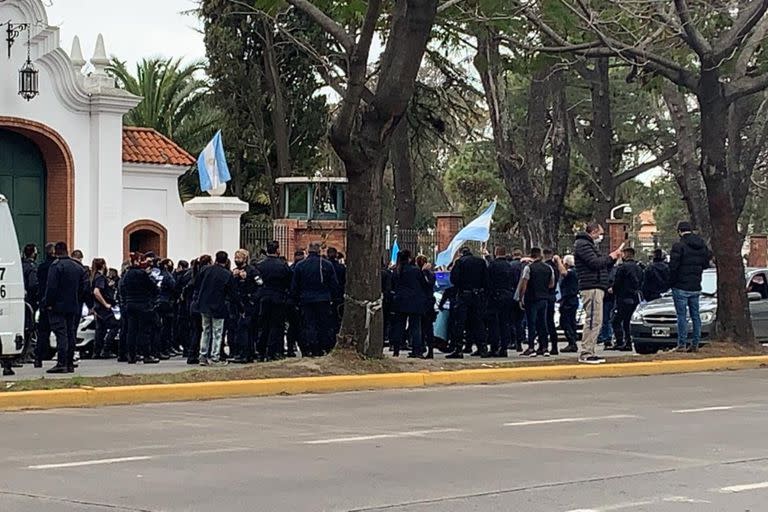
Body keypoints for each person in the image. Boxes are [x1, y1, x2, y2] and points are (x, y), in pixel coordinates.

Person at [574, 222, 622, 364]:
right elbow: (595, 263)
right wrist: (611, 257)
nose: (601, 237)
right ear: (593, 231)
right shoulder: (583, 245)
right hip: (591, 286)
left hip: (596, 286)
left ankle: (590, 350)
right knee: (593, 320)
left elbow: (601, 265)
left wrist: (612, 260)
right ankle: (586, 352)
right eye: (600, 233)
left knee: (597, 320)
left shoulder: (589, 246)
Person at [41, 242, 90, 373]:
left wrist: (48, 303)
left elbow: (51, 287)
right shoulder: (78, 267)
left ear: (56, 252)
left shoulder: (56, 266)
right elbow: (85, 288)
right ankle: (69, 363)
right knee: (70, 334)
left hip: (58, 306)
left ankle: (61, 363)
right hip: (73, 306)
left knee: (61, 334)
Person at [669, 222, 712, 352]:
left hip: (680, 286)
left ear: (679, 231)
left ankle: (681, 344)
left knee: (681, 316)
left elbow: (673, 267)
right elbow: (706, 264)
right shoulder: (701, 246)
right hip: (695, 286)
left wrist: (671, 282)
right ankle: (695, 343)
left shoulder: (679, 246)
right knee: (695, 315)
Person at [291, 242, 338, 357]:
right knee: (323, 325)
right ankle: (322, 348)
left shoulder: (300, 265)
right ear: (319, 251)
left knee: (308, 324)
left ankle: (310, 348)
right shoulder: (326, 265)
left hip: (306, 300)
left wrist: (296, 300)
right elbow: (334, 284)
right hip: (323, 300)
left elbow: (295, 286)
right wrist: (333, 297)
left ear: (307, 251)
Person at [446, 247, 490, 359]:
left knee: (460, 323)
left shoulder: (460, 262)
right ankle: (483, 348)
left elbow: (454, 279)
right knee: (478, 322)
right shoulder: (481, 262)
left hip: (464, 295)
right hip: (478, 295)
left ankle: (458, 349)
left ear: (461, 253)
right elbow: (486, 280)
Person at [120, 253, 160, 365]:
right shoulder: (142, 274)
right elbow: (153, 288)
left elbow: (123, 289)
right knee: (144, 331)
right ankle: (146, 355)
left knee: (131, 331)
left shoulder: (127, 274)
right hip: (143, 304)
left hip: (130, 304)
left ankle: (131, 356)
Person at [197, 251, 234, 366]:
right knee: (217, 332)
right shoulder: (227, 274)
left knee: (205, 330)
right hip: (218, 306)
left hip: (204, 304)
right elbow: (231, 292)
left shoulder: (205, 270)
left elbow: (197, 284)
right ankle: (215, 356)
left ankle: (203, 355)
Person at [256, 242, 292, 361]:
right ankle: (274, 351)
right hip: (279, 297)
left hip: (264, 297)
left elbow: (257, 282)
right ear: (277, 250)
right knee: (277, 326)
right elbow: (289, 281)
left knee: (263, 325)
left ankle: (261, 351)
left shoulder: (260, 265)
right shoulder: (282, 265)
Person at [390, 250, 430, 358]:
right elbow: (424, 284)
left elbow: (393, 286)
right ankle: (417, 350)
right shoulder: (415, 271)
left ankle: (396, 349)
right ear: (409, 258)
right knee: (415, 326)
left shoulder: (396, 271)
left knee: (399, 326)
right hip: (414, 302)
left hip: (400, 301)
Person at [518, 248, 555, 357]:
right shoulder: (548, 268)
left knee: (531, 323)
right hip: (544, 299)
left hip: (532, 299)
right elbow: (551, 284)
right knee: (543, 323)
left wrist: (521, 298)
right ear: (540, 255)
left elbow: (524, 284)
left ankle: (531, 347)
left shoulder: (528, 268)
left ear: (531, 256)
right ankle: (544, 347)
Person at [229, 249, 259, 363]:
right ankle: (239, 352)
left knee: (246, 329)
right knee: (237, 329)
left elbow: (260, 285)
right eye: (235, 258)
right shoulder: (234, 272)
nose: (237, 260)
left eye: (239, 258)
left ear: (245, 258)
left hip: (248, 303)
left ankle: (246, 354)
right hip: (237, 304)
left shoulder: (252, 271)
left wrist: (252, 300)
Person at [611, 247, 643, 352]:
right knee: (628, 321)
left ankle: (621, 341)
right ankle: (627, 341)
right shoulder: (638, 268)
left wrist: (613, 290)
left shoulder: (623, 268)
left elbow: (618, 282)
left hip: (623, 297)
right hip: (635, 298)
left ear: (626, 255)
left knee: (616, 321)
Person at [485, 247, 515, 358]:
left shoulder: (492, 266)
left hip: (495, 297)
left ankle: (494, 348)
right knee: (505, 323)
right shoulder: (509, 266)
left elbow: (488, 281)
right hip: (508, 296)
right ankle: (504, 348)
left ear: (496, 253)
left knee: (493, 324)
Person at [34, 243, 56, 367]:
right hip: (55, 303)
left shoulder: (41, 267)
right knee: (61, 332)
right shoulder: (56, 266)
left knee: (43, 332)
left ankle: (39, 357)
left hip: (43, 302)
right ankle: (64, 358)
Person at [91, 258, 118, 359]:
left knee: (100, 329)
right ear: (103, 265)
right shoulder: (100, 278)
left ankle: (96, 351)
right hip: (103, 308)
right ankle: (106, 349)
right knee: (115, 325)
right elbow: (96, 291)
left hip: (97, 307)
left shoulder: (94, 277)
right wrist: (105, 303)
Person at [544, 249, 567, 355]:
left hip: (544, 296)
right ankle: (554, 346)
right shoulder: (555, 268)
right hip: (552, 297)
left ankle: (543, 346)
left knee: (543, 322)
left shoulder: (546, 267)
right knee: (551, 322)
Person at [416, 254, 437, 359]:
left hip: (424, 303)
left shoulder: (424, 274)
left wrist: (423, 272)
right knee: (427, 328)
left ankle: (425, 349)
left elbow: (427, 284)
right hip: (428, 302)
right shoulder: (431, 273)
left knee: (425, 327)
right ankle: (428, 349)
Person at [21, 244, 39, 362]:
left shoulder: (20, 266)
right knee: (29, 327)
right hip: (30, 302)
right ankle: (26, 353)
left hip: (20, 300)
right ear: (33, 253)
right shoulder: (32, 267)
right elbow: (33, 284)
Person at [559, 255, 580, 353]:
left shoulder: (571, 272)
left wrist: (558, 260)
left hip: (568, 300)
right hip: (572, 300)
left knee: (565, 322)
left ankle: (572, 342)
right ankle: (572, 341)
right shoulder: (576, 272)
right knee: (571, 321)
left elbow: (563, 273)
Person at [326, 247, 346, 341]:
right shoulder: (341, 268)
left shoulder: (324, 267)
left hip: (327, 297)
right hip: (339, 297)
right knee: (338, 320)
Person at [508, 249, 526, 352]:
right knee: (520, 321)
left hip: (511, 294)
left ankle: (513, 341)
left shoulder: (510, 265)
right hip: (520, 295)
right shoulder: (523, 266)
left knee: (511, 320)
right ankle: (519, 342)